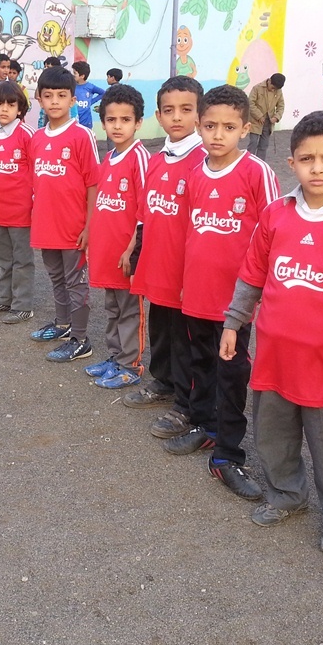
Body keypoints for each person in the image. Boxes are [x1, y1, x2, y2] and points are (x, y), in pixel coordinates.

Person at [221, 110, 323, 555]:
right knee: (273, 435)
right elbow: (252, 275)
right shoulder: (275, 214)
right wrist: (234, 323)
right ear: (291, 163)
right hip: (275, 354)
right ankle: (287, 496)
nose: (317, 168)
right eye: (307, 158)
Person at [173, 85, 280, 500]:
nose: (218, 135)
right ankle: (205, 427)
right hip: (197, 293)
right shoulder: (195, 173)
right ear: (199, 126)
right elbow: (190, 232)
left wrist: (260, 292)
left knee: (232, 374)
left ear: (245, 129)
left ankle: (228, 455)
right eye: (210, 126)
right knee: (200, 363)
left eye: (229, 127)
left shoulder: (256, 173)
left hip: (236, 302)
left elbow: (273, 233)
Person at [125, 76, 204, 418]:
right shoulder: (158, 159)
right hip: (158, 264)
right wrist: (135, 253)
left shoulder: (204, 161)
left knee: (185, 338)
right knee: (160, 327)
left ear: (199, 114)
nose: (177, 117)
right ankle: (163, 381)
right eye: (169, 110)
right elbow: (144, 215)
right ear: (158, 116)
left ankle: (186, 401)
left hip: (186, 269)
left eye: (186, 109)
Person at [28, 66, 100, 362]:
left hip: (74, 228)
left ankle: (81, 340)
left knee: (76, 283)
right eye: (48, 95)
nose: (54, 101)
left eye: (61, 95)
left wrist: (90, 226)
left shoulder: (82, 136)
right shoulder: (36, 138)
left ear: (73, 99)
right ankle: (62, 324)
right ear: (39, 99)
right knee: (56, 277)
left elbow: (94, 184)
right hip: (46, 226)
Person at [85, 84, 150, 389]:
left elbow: (145, 211)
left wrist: (132, 250)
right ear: (103, 123)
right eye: (111, 120)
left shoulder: (140, 158)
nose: (118, 126)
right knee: (112, 308)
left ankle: (131, 365)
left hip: (127, 254)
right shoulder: (108, 157)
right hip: (107, 252)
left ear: (138, 122)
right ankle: (115, 357)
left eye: (125, 120)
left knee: (129, 310)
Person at [0, 81, 35, 324]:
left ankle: (23, 306)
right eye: (0, 104)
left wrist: (35, 206)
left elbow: (37, 174)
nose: (5, 109)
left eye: (11, 104)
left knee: (22, 259)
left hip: (21, 211)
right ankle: (5, 299)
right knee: (4, 258)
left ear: (20, 109)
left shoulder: (27, 135)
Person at [247, 73, 285, 159]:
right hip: (255, 121)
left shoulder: (278, 91)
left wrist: (276, 117)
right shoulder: (257, 88)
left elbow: (281, 106)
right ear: (269, 81)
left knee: (263, 146)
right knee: (253, 143)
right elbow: (251, 104)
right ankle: (248, 161)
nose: (273, 90)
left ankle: (260, 163)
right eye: (273, 87)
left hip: (268, 123)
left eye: (275, 89)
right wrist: (259, 116)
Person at [72, 61, 105, 130]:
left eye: (75, 73)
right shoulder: (71, 86)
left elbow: (103, 93)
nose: (73, 75)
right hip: (73, 121)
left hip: (86, 122)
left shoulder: (90, 87)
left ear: (82, 76)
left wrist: (91, 101)